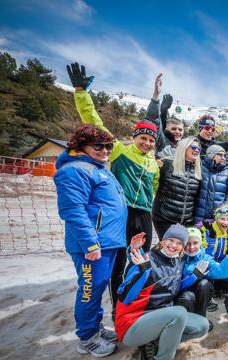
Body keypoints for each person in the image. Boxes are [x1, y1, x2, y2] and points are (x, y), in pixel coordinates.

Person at [67, 62, 160, 313]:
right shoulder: (118, 150)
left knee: (142, 260)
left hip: (143, 214)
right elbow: (94, 122)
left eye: (151, 141)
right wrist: (81, 92)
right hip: (122, 213)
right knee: (120, 264)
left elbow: (154, 187)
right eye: (143, 138)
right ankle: (118, 308)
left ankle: (136, 302)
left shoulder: (153, 163)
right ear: (135, 136)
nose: (147, 143)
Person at [54, 124, 128, 357]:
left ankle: (95, 328)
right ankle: (86, 338)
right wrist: (90, 243)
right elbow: (72, 210)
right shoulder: (75, 170)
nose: (105, 150)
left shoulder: (97, 168)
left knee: (98, 286)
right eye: (98, 146)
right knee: (89, 288)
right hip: (93, 245)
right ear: (80, 145)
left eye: (108, 146)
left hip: (107, 241)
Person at [115, 225, 210, 360]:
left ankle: (153, 343)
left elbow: (173, 287)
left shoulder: (177, 262)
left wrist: (195, 276)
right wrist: (142, 271)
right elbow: (124, 297)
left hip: (157, 318)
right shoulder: (146, 259)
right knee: (178, 313)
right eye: (170, 240)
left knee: (202, 325)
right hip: (132, 323)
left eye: (179, 243)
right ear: (163, 240)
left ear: (183, 246)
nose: (173, 245)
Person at [176, 228, 228, 318]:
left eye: (195, 243)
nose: (191, 247)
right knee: (188, 297)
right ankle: (185, 322)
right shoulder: (177, 258)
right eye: (188, 243)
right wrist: (194, 276)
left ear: (200, 243)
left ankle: (200, 318)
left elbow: (221, 272)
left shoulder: (205, 258)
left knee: (205, 285)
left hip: (198, 293)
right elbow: (174, 287)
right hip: (180, 296)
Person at [152, 137, 202, 239]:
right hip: (164, 219)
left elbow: (194, 199)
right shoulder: (167, 164)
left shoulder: (197, 172)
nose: (196, 150)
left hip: (185, 222)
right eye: (193, 147)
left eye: (198, 148)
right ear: (184, 148)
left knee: (179, 252)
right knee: (168, 250)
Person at [145, 74, 183, 160]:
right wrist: (156, 97)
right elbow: (153, 120)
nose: (177, 131)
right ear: (166, 129)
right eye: (173, 129)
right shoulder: (162, 142)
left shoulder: (186, 147)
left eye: (180, 129)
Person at [194, 145, 228, 224]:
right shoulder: (199, 167)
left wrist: (224, 207)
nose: (223, 158)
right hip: (199, 214)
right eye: (219, 155)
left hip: (218, 216)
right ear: (211, 155)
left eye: (224, 155)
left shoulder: (227, 172)